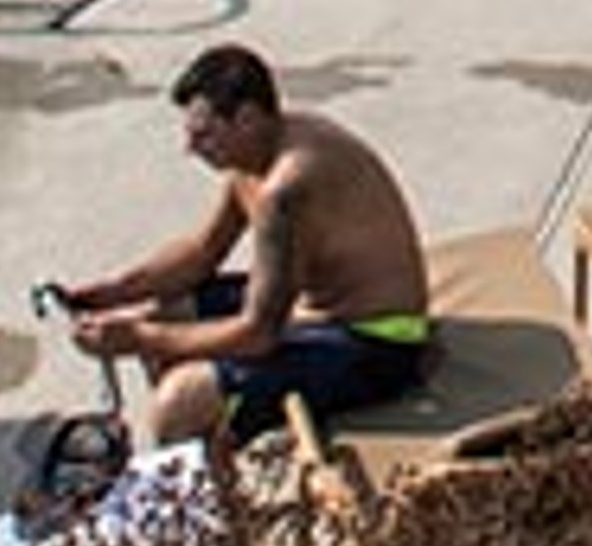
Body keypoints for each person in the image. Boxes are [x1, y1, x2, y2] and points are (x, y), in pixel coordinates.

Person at [53, 43, 436, 448]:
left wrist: (139, 338)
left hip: (375, 342)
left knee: (177, 403)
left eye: (204, 135)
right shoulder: (258, 152)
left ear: (247, 119)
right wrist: (109, 293)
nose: (191, 149)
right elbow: (202, 253)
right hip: (309, 307)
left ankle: (201, 445)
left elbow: (258, 333)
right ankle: (213, 437)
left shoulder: (287, 189)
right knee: (170, 309)